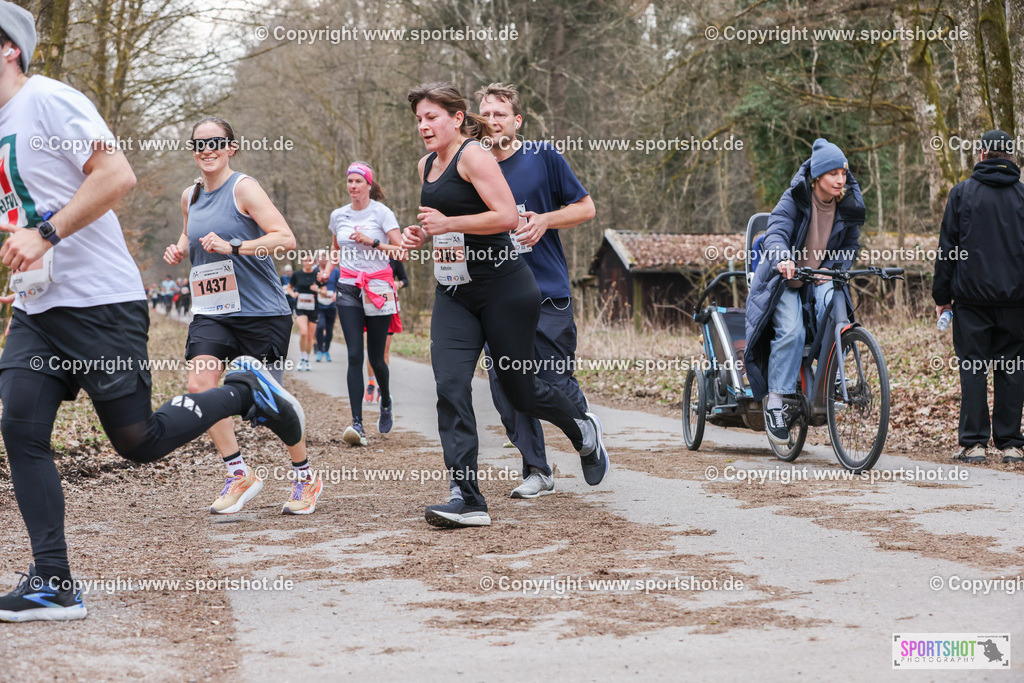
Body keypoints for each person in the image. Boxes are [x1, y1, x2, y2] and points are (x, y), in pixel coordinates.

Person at [0, 4, 304, 622]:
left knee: (138, 441)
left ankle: (247, 392)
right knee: (21, 428)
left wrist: (46, 235)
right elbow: (24, 210)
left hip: (101, 304)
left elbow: (117, 174)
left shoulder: (48, 101)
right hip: (39, 307)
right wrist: (24, 266)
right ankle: (53, 581)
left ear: (9, 47)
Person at [401, 82, 609, 529]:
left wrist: (447, 223)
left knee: (520, 390)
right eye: (418, 119)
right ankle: (468, 498)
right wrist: (418, 234)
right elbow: (441, 223)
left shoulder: (475, 156)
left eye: (431, 117)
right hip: (454, 291)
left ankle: (580, 429)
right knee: (450, 386)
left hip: (504, 288)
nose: (423, 126)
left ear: (457, 118)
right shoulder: (426, 165)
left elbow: (507, 216)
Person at [164, 115, 322, 515]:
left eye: (215, 142)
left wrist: (234, 247)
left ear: (231, 147)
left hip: (261, 311)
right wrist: (179, 248)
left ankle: (305, 476)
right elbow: (190, 230)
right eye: (199, 144)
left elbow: (285, 238)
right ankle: (239, 473)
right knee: (200, 385)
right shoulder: (190, 196)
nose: (207, 150)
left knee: (269, 406)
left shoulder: (244, 188)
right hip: (213, 310)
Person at [474, 82, 597, 499]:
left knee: (554, 379)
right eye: (486, 114)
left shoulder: (543, 156)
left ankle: (585, 428)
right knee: (507, 386)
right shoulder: (473, 167)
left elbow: (586, 208)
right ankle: (537, 470)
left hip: (546, 291)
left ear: (517, 120)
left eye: (500, 114)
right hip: (498, 295)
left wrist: (545, 219)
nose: (493, 121)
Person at [743, 138, 864, 445]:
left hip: (818, 280)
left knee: (837, 309)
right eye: (833, 173)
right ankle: (775, 402)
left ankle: (835, 376)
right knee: (792, 332)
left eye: (844, 173)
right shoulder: (794, 198)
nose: (841, 179)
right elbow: (776, 234)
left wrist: (832, 267)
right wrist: (783, 259)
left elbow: (850, 246)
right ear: (817, 176)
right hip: (783, 280)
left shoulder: (847, 205)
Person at [934, 130, 1024, 465]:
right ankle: (1011, 444)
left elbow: (948, 250)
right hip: (1016, 302)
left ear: (982, 153)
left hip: (971, 302)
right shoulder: (1022, 196)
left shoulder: (962, 194)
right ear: (1011, 156)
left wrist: (942, 297)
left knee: (973, 369)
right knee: (1011, 369)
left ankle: (974, 445)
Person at [322, 161, 404, 446]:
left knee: (376, 358)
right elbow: (336, 248)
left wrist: (373, 242)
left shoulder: (382, 213)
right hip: (348, 288)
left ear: (369, 184)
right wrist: (327, 270)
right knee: (355, 354)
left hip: (378, 288)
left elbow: (402, 252)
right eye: (350, 181)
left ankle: (386, 400)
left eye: (358, 181)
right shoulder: (338, 215)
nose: (353, 186)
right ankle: (357, 423)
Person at [365, 256, 408, 403]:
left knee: (384, 351)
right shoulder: (366, 256)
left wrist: (398, 283)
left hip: (388, 305)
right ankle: (371, 383)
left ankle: (382, 387)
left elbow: (405, 280)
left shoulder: (394, 259)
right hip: (370, 305)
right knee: (371, 350)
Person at [287, 254, 320, 371]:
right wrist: (293, 294)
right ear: (302, 262)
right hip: (300, 306)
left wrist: (318, 290)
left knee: (310, 336)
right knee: (304, 333)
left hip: (314, 307)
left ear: (313, 262)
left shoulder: (317, 274)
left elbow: (325, 291)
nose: (307, 262)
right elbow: (289, 287)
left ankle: (307, 359)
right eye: (305, 260)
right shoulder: (297, 274)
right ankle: (301, 358)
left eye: (310, 260)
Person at [314, 251, 337, 362]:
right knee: (320, 326)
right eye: (320, 256)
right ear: (317, 258)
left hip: (331, 304)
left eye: (324, 256)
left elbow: (340, 284)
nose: (322, 258)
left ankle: (326, 350)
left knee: (329, 329)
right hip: (319, 305)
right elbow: (311, 286)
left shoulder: (335, 271)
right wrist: (317, 290)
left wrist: (336, 294)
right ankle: (319, 349)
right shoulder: (314, 271)